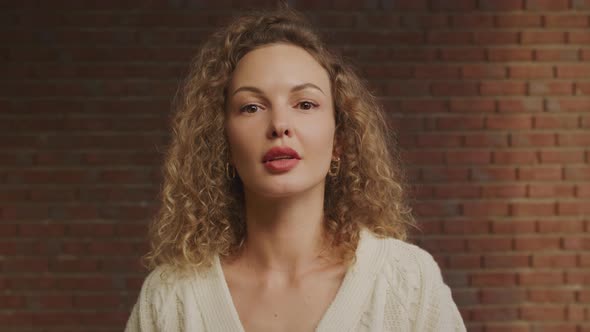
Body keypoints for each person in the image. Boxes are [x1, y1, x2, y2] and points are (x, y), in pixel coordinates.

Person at [125, 5, 466, 332]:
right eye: (252, 107)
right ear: (222, 142)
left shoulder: (410, 284)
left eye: (305, 103)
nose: (279, 125)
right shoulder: (169, 298)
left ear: (340, 141)